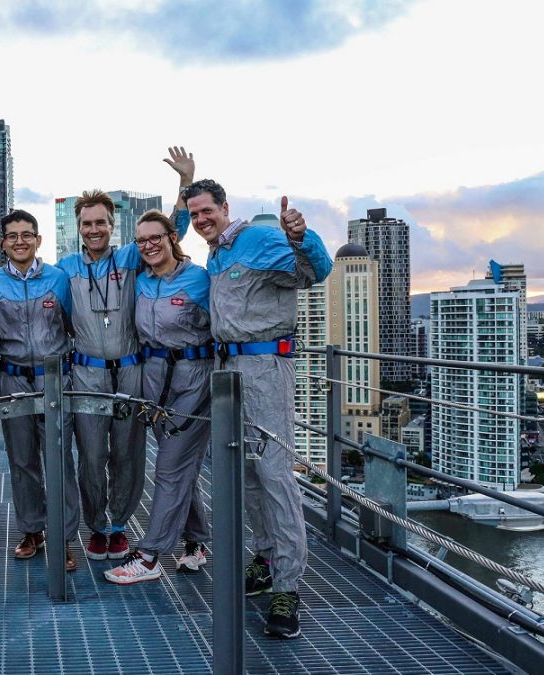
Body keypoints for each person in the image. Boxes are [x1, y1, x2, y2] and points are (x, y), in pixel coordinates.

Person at [187, 180, 332, 639]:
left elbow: (314, 271)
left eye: (207, 210)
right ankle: (266, 559)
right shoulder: (217, 253)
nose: (201, 219)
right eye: (194, 214)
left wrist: (300, 234)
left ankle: (289, 585)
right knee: (246, 473)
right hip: (227, 366)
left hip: (265, 367)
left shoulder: (258, 238)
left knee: (273, 473)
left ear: (225, 207)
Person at [55, 147, 194, 560]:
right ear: (78, 228)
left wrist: (185, 182)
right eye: (87, 223)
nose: (94, 229)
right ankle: (96, 524)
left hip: (131, 372)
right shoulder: (65, 268)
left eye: (101, 222)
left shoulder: (131, 257)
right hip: (87, 376)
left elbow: (174, 230)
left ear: (112, 225)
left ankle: (119, 525)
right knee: (92, 457)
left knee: (129, 455)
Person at [103, 210, 213, 585]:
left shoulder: (199, 278)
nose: (149, 245)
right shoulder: (141, 280)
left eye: (156, 237)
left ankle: (150, 555)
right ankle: (196, 542)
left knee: (168, 467)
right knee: (181, 467)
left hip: (194, 380)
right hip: (153, 381)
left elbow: (225, 325)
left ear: (172, 237)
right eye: (142, 240)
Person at [0, 210, 81, 571]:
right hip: (12, 379)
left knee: (59, 460)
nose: (20, 241)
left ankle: (63, 538)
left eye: (27, 234)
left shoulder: (58, 279)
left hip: (54, 379)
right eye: (13, 235)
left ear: (38, 240)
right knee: (22, 461)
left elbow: (73, 326)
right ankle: (32, 530)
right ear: (3, 243)